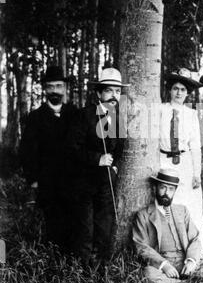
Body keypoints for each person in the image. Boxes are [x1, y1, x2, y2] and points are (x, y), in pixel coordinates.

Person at [66, 67, 130, 266]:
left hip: (106, 183)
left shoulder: (117, 119)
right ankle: (81, 274)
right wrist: (97, 159)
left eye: (118, 91)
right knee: (85, 230)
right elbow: (71, 148)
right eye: (109, 91)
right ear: (99, 93)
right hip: (83, 183)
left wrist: (115, 165)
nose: (114, 96)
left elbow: (120, 147)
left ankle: (101, 271)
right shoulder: (84, 115)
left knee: (105, 227)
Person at [132, 168, 203, 283]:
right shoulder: (143, 215)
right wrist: (164, 265)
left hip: (184, 260)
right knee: (147, 274)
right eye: (163, 187)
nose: (166, 192)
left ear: (175, 191)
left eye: (171, 189)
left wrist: (191, 262)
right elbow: (141, 246)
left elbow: (195, 238)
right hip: (162, 264)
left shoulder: (182, 211)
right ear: (155, 188)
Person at [19, 66, 77, 251]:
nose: (55, 91)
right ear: (44, 89)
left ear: (65, 88)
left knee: (74, 222)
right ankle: (54, 262)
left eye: (59, 86)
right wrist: (33, 179)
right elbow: (26, 151)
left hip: (72, 180)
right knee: (53, 224)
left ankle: (72, 263)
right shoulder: (36, 117)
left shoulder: (75, 114)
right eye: (50, 86)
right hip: (48, 181)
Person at [159, 68, 203, 258]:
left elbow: (195, 146)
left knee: (190, 204)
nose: (178, 93)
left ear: (187, 93)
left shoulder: (191, 114)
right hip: (164, 159)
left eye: (182, 90)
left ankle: (197, 249)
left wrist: (197, 173)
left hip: (185, 162)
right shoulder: (160, 110)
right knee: (166, 202)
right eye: (175, 88)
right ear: (169, 90)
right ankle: (169, 248)